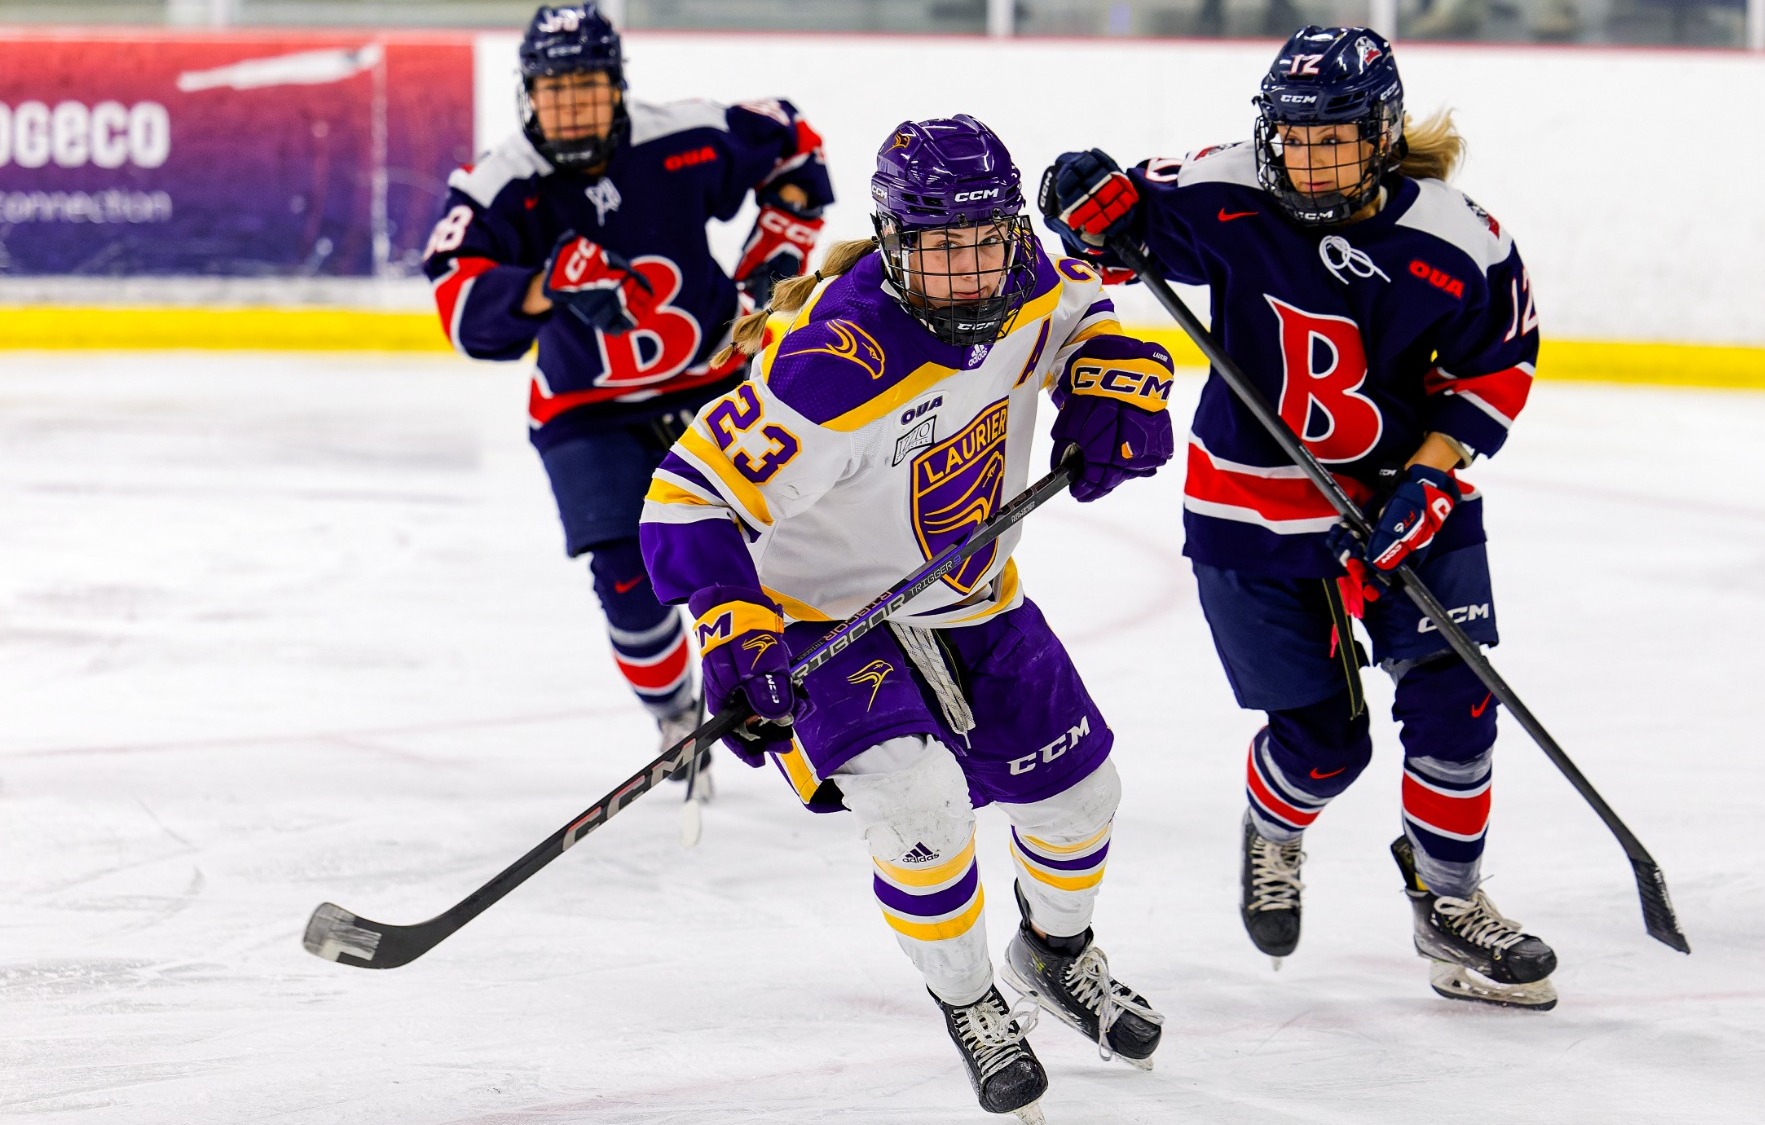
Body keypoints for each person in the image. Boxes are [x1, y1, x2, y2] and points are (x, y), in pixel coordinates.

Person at [638, 116, 1170, 1121]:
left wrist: (1111, 379)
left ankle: (1054, 958)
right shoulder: (829, 368)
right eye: (939, 248)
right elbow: (686, 496)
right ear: (892, 243)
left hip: (970, 599)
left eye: (985, 242)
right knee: (918, 807)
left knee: (1080, 799)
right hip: (817, 618)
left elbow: (1085, 319)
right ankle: (969, 1001)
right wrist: (731, 625)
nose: (969, 272)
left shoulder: (1027, 283)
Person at [1041, 26, 1558, 1009]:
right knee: (1323, 742)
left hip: (1403, 495)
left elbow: (1496, 369)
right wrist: (1083, 203)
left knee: (1457, 703)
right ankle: (1275, 826)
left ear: (1380, 133)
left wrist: (1430, 477)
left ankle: (1446, 902)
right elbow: (1111, 237)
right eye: (1292, 136)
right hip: (1248, 509)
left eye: (1333, 138)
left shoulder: (1460, 239)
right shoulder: (1226, 187)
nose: (1307, 157)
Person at [419, 4, 832, 804]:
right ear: (526, 94)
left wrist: (776, 253)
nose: (571, 107)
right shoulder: (498, 184)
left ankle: (824, 708)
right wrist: (544, 286)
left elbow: (795, 144)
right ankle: (678, 717)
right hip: (586, 409)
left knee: (783, 550)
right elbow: (460, 308)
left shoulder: (683, 137)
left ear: (618, 86)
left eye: (588, 88)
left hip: (715, 381)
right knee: (626, 578)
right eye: (554, 90)